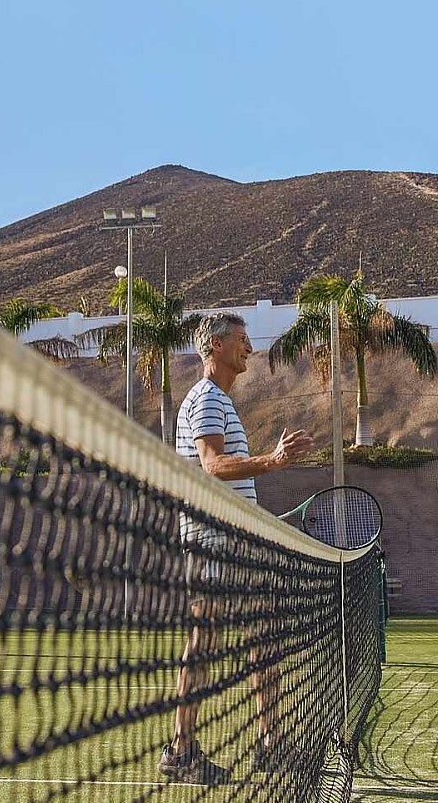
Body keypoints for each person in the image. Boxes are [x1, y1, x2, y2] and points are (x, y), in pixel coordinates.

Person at [158, 311, 315, 785]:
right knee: (205, 644)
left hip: (233, 541)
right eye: (242, 341)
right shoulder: (206, 398)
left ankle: (271, 746)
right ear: (217, 346)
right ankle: (181, 751)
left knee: (261, 639)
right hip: (213, 543)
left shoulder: (220, 402)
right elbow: (213, 464)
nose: (250, 348)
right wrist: (274, 460)